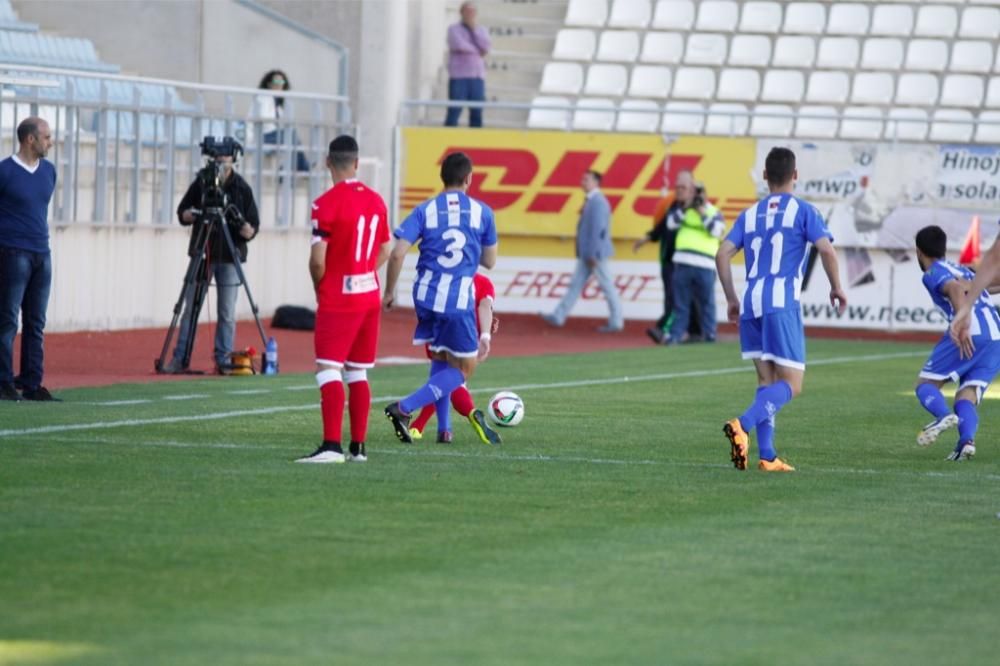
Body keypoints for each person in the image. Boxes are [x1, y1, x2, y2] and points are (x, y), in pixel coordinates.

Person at [716, 147, 847, 472]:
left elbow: (721, 254)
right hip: (781, 302)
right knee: (792, 383)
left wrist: (732, 298)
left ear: (765, 177)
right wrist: (836, 287)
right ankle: (742, 425)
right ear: (795, 175)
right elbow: (827, 251)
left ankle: (768, 455)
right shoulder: (804, 211)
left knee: (766, 379)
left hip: (751, 301)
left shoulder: (749, 215)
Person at [382, 152, 498, 443]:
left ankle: (443, 430)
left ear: (442, 178)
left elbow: (397, 253)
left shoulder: (425, 210)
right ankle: (404, 407)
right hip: (457, 299)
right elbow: (490, 261)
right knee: (465, 367)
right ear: (469, 179)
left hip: (425, 295)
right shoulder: (482, 212)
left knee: (442, 356)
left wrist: (390, 292)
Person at [296, 135, 391, 464]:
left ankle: (331, 446)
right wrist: (365, 270)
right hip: (369, 294)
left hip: (340, 296)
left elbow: (317, 260)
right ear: (356, 162)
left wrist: (320, 286)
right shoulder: (377, 200)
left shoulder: (325, 204)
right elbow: (386, 248)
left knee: (328, 368)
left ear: (327, 163)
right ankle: (359, 449)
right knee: (358, 372)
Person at [164, 149, 260, 374]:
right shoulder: (202, 183)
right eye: (217, 157)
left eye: (225, 157)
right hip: (203, 252)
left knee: (226, 312)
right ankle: (180, 358)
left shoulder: (242, 188)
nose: (220, 161)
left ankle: (224, 360)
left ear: (233, 159)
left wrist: (248, 230)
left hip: (229, 255)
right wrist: (190, 214)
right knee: (190, 309)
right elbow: (182, 212)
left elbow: (253, 224)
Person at [916, 226, 1000, 461]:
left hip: (970, 329)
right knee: (967, 395)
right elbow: (988, 284)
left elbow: (953, 288)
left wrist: (963, 321)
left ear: (919, 252)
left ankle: (943, 416)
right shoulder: (964, 270)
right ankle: (966, 442)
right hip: (995, 336)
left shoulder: (933, 272)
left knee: (926, 385)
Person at [0, 117, 58, 402]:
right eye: (46, 136)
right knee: (8, 319)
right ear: (30, 139)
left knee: (36, 322)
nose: (51, 142)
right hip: (12, 252)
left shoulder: (49, 171)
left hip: (41, 253)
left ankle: (32, 382)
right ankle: (3, 382)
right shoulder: (5, 171)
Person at [408, 272, 502, 445]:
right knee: (450, 380)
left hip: (439, 329)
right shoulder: (482, 281)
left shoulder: (439, 276)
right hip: (466, 335)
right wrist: (485, 334)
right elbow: (485, 306)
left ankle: (411, 416)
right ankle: (430, 426)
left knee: (443, 379)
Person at [542, 170, 623, 333]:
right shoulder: (592, 201)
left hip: (594, 254)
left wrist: (593, 253)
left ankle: (616, 321)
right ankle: (558, 315)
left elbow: (598, 230)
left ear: (596, 182)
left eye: (586, 179)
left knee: (607, 286)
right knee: (576, 285)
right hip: (588, 253)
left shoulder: (598, 202)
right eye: (583, 179)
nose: (582, 182)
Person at [633, 168, 701, 344]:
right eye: (677, 186)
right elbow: (662, 227)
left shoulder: (697, 208)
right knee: (674, 297)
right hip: (668, 260)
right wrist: (646, 238)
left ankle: (665, 329)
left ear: (692, 188)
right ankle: (686, 331)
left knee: (678, 299)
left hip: (685, 262)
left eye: (683, 186)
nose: (678, 189)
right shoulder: (673, 206)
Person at [665, 176, 724, 345]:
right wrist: (686, 207)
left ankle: (709, 334)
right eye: (693, 192)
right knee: (681, 303)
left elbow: (716, 231)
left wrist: (702, 213)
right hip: (683, 263)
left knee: (707, 303)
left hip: (705, 265)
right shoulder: (683, 209)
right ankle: (675, 335)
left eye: (699, 193)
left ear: (705, 194)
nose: (697, 196)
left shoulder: (713, 211)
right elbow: (670, 224)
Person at [253, 69, 309, 172]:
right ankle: (303, 168)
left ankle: (287, 170)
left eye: (281, 82)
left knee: (291, 139)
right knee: (290, 135)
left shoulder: (278, 105)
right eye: (276, 82)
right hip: (263, 136)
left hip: (274, 135)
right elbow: (263, 120)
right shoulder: (263, 97)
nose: (279, 85)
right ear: (269, 84)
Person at [445, 2, 491, 128]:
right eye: (467, 11)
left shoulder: (481, 30)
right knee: (454, 110)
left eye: (472, 12)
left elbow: (486, 46)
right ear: (461, 13)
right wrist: (477, 50)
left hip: (477, 76)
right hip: (459, 76)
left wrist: (474, 30)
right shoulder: (453, 29)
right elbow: (459, 45)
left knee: (477, 111)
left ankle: (475, 141)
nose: (470, 14)